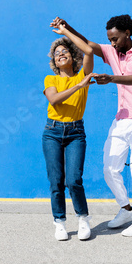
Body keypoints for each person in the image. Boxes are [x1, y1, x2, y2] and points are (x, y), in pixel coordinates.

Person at [50, 15, 132, 237]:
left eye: (115, 38)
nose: (112, 43)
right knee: (109, 169)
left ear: (127, 33)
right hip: (121, 119)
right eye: (109, 39)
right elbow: (88, 45)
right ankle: (127, 209)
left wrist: (111, 78)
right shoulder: (111, 51)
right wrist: (66, 27)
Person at [42, 23, 95, 241]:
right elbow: (54, 100)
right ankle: (60, 223)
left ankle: (83, 219)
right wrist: (79, 87)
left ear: (72, 56)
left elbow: (90, 50)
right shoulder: (51, 79)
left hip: (75, 132)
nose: (60, 54)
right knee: (56, 181)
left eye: (64, 51)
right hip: (52, 132)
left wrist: (65, 33)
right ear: (54, 61)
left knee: (74, 180)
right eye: (56, 53)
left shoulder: (83, 73)